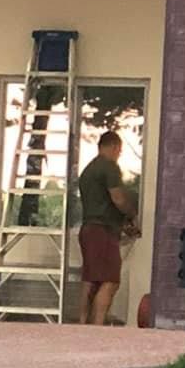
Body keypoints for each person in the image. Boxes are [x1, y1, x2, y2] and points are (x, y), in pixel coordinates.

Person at [77, 130, 137, 325]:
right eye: (119, 151)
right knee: (111, 280)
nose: (118, 155)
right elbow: (118, 199)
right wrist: (131, 214)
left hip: (88, 229)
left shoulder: (88, 170)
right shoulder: (109, 167)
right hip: (102, 231)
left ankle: (83, 322)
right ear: (113, 147)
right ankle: (98, 324)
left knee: (90, 278)